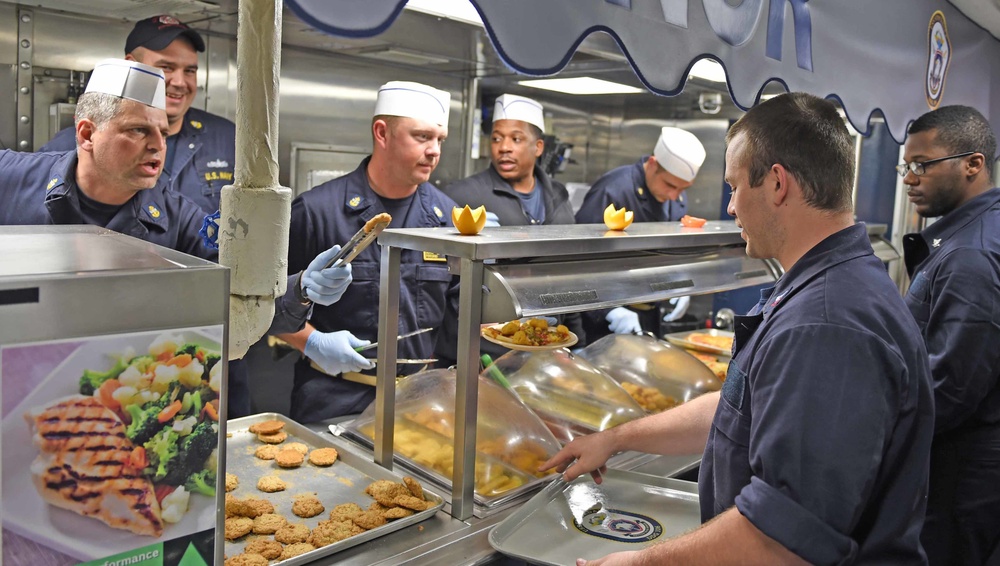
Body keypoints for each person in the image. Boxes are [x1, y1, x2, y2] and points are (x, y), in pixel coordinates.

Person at [541, 92, 935, 565]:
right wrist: (617, 438)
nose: (730, 207)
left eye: (733, 187)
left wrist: (637, 562)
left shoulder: (828, 325)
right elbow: (738, 407)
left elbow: (781, 539)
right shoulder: (821, 286)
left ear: (776, 183)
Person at [0, 59, 352, 418]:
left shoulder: (179, 219)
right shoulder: (12, 179)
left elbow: (239, 300)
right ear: (87, 134)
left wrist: (300, 290)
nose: (157, 146)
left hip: (120, 398)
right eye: (138, 131)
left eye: (163, 133)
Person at [276, 81, 459, 423]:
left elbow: (461, 316)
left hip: (422, 405)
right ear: (382, 133)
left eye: (440, 140)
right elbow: (261, 306)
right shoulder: (317, 211)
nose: (434, 150)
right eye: (421, 137)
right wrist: (312, 342)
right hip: (334, 400)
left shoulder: (448, 220)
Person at [899, 105, 1000, 565]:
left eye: (922, 166)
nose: (909, 179)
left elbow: (951, 386)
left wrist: (873, 436)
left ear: (972, 165)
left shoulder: (970, 254)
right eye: (907, 167)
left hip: (957, 475)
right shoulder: (972, 234)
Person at [40, 15, 234, 215]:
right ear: (131, 66)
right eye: (166, 67)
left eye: (190, 71)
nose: (180, 82)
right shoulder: (75, 145)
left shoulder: (227, 138)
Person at [574, 127, 707, 340]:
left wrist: (680, 285)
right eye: (670, 185)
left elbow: (669, 255)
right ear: (653, 164)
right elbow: (575, 261)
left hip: (649, 314)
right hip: (603, 320)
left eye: (683, 189)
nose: (675, 196)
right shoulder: (613, 190)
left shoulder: (676, 200)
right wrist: (607, 310)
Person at [444, 93, 574, 226]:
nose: (504, 147)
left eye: (516, 139)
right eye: (496, 139)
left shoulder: (559, 195)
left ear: (538, 147)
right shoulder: (463, 194)